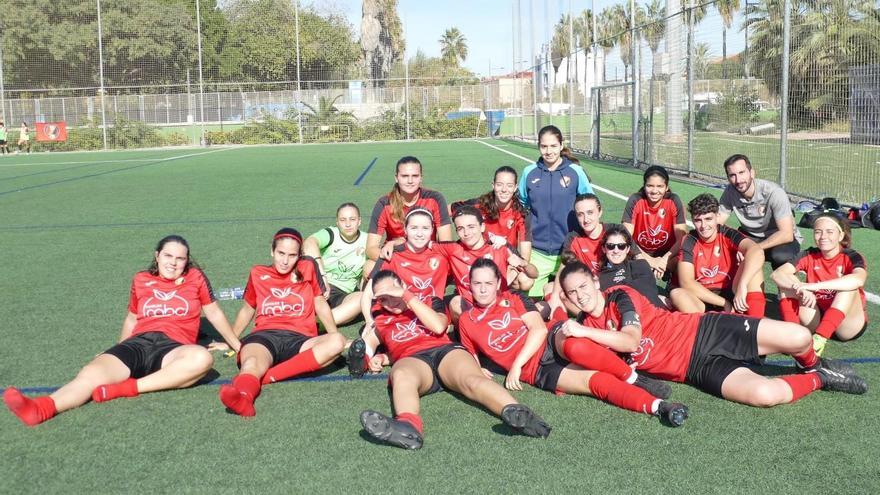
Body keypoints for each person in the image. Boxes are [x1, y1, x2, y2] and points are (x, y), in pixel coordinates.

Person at [4, 235, 242, 426]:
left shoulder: (196, 278)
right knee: (91, 374)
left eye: (180, 258)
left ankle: (127, 388)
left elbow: (213, 313)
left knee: (201, 359)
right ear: (157, 256)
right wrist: (118, 349)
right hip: (138, 343)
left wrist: (236, 345)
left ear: (186, 261)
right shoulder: (140, 279)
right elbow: (131, 318)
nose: (173, 262)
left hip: (172, 347)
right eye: (168, 255)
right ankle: (42, 408)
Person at [557, 262, 867, 407]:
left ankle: (809, 363)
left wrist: (581, 329)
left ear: (595, 283)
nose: (580, 295)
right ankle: (820, 378)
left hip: (704, 330)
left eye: (583, 286)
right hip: (694, 369)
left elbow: (631, 341)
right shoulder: (584, 331)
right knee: (765, 395)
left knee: (799, 337)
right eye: (572, 292)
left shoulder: (618, 296)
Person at [458, 259, 687, 426]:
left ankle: (634, 378)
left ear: (499, 283)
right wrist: (479, 368)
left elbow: (537, 330)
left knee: (574, 345)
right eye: (477, 283)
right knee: (597, 384)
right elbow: (472, 355)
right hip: (537, 370)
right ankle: (660, 407)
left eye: (489, 282)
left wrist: (515, 365)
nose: (483, 288)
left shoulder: (514, 298)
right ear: (470, 284)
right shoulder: (466, 321)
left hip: (548, 340)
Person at [353, 270, 551, 449]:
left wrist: (406, 297)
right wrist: (372, 357)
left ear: (402, 287)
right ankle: (408, 426)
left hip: (444, 351)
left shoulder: (428, 300)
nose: (390, 301)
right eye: (383, 298)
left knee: (471, 381)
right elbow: (368, 343)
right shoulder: (379, 315)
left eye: (393, 293)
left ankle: (518, 413)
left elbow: (438, 327)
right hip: (411, 360)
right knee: (402, 375)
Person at [219, 228, 345, 417]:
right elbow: (248, 309)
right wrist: (231, 338)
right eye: (281, 253)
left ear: (299, 255)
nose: (285, 261)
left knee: (337, 342)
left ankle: (268, 377)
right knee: (251, 362)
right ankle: (244, 398)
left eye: (292, 255)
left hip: (300, 339)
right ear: (272, 251)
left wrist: (332, 333)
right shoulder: (257, 273)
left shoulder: (308, 268)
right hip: (265, 337)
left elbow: (320, 303)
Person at [772, 213, 868, 356]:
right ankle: (791, 331)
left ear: (841, 236)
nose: (823, 236)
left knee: (848, 287)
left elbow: (858, 279)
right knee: (787, 282)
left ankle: (820, 339)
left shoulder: (851, 256)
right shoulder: (808, 254)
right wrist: (801, 289)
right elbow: (777, 274)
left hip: (846, 326)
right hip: (817, 318)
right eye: (818, 232)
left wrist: (812, 287)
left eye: (830, 232)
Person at [518, 125, 593, 297]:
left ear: (561, 145)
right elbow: (521, 203)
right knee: (528, 292)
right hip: (538, 249)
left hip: (569, 248)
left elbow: (589, 202)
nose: (549, 151)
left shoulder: (576, 172)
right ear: (538, 146)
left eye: (553, 146)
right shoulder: (529, 173)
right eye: (544, 146)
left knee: (571, 298)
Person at [670, 193, 766, 317]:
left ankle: (754, 324)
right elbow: (686, 282)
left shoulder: (728, 234)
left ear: (717, 216)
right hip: (703, 297)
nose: (703, 226)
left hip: (731, 292)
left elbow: (757, 251)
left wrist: (742, 284)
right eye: (698, 220)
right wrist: (724, 303)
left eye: (708, 219)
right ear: (693, 220)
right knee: (677, 294)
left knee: (753, 267)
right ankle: (711, 328)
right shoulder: (689, 241)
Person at [435, 205, 536, 322]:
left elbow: (534, 274)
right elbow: (424, 245)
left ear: (482, 227)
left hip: (498, 306)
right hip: (471, 311)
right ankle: (466, 336)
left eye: (471, 227)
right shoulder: (453, 249)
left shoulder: (498, 247)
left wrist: (522, 263)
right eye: (460, 228)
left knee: (541, 308)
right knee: (455, 303)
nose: (466, 233)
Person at [362, 208, 451, 327]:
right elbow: (368, 294)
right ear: (405, 230)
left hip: (431, 316)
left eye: (425, 228)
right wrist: (369, 321)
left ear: (432, 230)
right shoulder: (392, 255)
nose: (419, 234)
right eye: (414, 228)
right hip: (400, 316)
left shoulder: (443, 256)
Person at [451, 165, 533, 290]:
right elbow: (446, 210)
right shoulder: (479, 204)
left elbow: (524, 258)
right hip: (477, 259)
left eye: (509, 185)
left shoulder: (521, 213)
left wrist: (511, 272)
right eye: (499, 184)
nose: (504, 189)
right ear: (493, 185)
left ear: (515, 187)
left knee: (526, 280)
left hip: (504, 260)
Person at [717, 154, 801, 269]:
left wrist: (754, 248)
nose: (738, 180)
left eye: (742, 173)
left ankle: (786, 286)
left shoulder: (774, 192)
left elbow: (787, 234)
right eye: (732, 175)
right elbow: (717, 222)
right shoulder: (730, 192)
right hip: (751, 235)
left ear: (752, 173)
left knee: (781, 256)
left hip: (778, 237)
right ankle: (738, 286)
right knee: (723, 248)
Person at [366, 156, 452, 265]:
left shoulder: (435, 199)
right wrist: (399, 263)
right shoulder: (384, 203)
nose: (410, 181)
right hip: (397, 258)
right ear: (396, 178)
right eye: (405, 176)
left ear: (421, 177)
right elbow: (370, 248)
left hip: (427, 257)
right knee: (369, 266)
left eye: (415, 176)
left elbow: (446, 244)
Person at [303, 203, 367, 326]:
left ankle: (316, 325)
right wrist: (323, 278)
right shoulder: (331, 233)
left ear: (359, 221)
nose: (348, 224)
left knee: (361, 298)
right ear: (337, 222)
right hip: (318, 284)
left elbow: (372, 265)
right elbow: (309, 243)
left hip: (342, 293)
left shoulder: (367, 240)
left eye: (352, 219)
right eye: (343, 220)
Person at [542, 193, 606, 316]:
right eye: (580, 214)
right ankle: (583, 319)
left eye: (590, 212)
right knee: (551, 288)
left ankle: (592, 319)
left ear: (600, 211)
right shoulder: (573, 238)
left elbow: (635, 261)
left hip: (609, 289)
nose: (586, 219)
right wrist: (555, 296)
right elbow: (564, 267)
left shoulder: (613, 233)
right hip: (587, 288)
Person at [622, 165, 687, 280]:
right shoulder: (636, 200)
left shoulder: (673, 200)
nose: (654, 191)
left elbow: (681, 239)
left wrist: (663, 261)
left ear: (666, 187)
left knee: (685, 256)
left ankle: (672, 282)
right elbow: (626, 236)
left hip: (667, 253)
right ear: (644, 186)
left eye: (660, 186)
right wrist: (648, 259)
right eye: (650, 186)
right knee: (620, 250)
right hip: (639, 250)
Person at [597, 224, 667, 308]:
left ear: (628, 249)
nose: (616, 250)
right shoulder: (602, 277)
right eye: (610, 246)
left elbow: (648, 291)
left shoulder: (640, 265)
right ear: (604, 249)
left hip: (655, 314)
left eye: (621, 246)